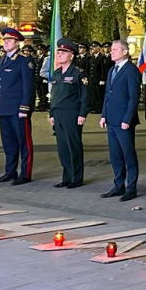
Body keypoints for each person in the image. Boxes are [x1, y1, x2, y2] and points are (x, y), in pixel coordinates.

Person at [0, 28, 35, 185]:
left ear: (17, 42)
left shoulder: (24, 61)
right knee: (8, 142)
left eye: (9, 40)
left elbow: (28, 87)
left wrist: (25, 107)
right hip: (4, 108)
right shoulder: (3, 59)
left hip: (17, 109)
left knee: (24, 142)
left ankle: (25, 173)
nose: (6, 42)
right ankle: (10, 172)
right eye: (4, 40)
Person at [100, 40, 141, 201]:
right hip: (111, 120)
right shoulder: (112, 70)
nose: (111, 52)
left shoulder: (131, 71)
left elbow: (133, 98)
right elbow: (107, 95)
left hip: (124, 121)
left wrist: (127, 118)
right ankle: (118, 185)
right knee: (115, 155)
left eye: (115, 50)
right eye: (111, 50)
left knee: (128, 154)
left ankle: (131, 187)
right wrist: (104, 115)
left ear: (125, 52)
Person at [48, 38, 89, 189]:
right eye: (58, 51)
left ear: (71, 55)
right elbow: (53, 96)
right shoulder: (57, 73)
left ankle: (76, 178)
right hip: (58, 113)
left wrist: (82, 114)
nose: (59, 54)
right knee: (62, 147)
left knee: (73, 146)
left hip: (72, 113)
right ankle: (66, 177)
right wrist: (51, 113)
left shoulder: (79, 73)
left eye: (63, 52)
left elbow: (85, 96)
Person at [87, 41, 105, 114]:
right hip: (93, 79)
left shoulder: (101, 57)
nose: (93, 49)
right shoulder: (92, 57)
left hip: (98, 79)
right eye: (92, 47)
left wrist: (102, 79)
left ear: (98, 47)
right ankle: (95, 107)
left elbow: (103, 69)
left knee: (99, 95)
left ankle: (100, 108)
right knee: (94, 95)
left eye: (94, 47)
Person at [36, 44, 50, 111]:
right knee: (39, 92)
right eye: (38, 50)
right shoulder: (36, 58)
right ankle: (41, 104)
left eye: (41, 50)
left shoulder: (46, 58)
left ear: (44, 51)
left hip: (43, 79)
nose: (39, 51)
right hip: (37, 79)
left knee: (44, 92)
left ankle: (44, 105)